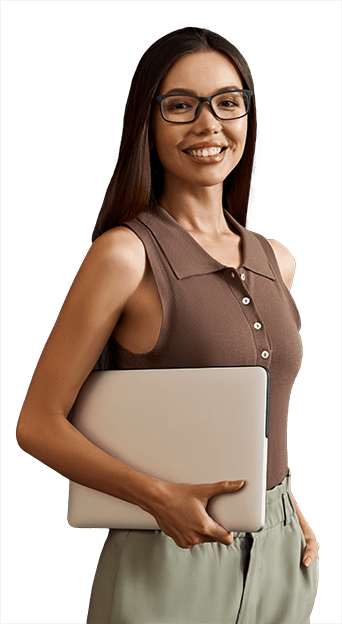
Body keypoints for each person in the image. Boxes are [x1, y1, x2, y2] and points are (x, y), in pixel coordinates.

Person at [16, 26, 319, 624]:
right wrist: (160, 499)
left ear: (248, 116)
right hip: (169, 551)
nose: (209, 125)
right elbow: (37, 424)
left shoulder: (277, 260)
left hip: (283, 552)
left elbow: (255, 410)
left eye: (228, 102)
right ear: (147, 123)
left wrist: (290, 507)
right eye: (181, 105)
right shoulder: (124, 256)